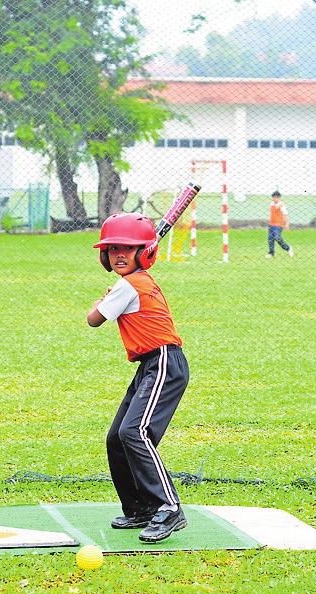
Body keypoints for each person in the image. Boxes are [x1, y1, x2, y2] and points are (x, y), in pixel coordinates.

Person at [86, 212, 189, 544]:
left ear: (144, 253)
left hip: (163, 363)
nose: (118, 254)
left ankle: (169, 507)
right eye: (113, 248)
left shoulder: (130, 284)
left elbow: (93, 320)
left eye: (128, 249)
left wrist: (102, 300)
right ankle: (140, 508)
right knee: (117, 437)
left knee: (136, 431)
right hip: (151, 364)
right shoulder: (135, 281)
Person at [266, 190, 293, 259]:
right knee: (270, 239)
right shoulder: (271, 204)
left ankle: (288, 248)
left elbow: (285, 215)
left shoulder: (282, 205)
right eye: (273, 197)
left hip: (278, 225)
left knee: (277, 238)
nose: (274, 198)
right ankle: (271, 253)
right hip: (271, 224)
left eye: (276, 197)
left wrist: (286, 224)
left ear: (279, 198)